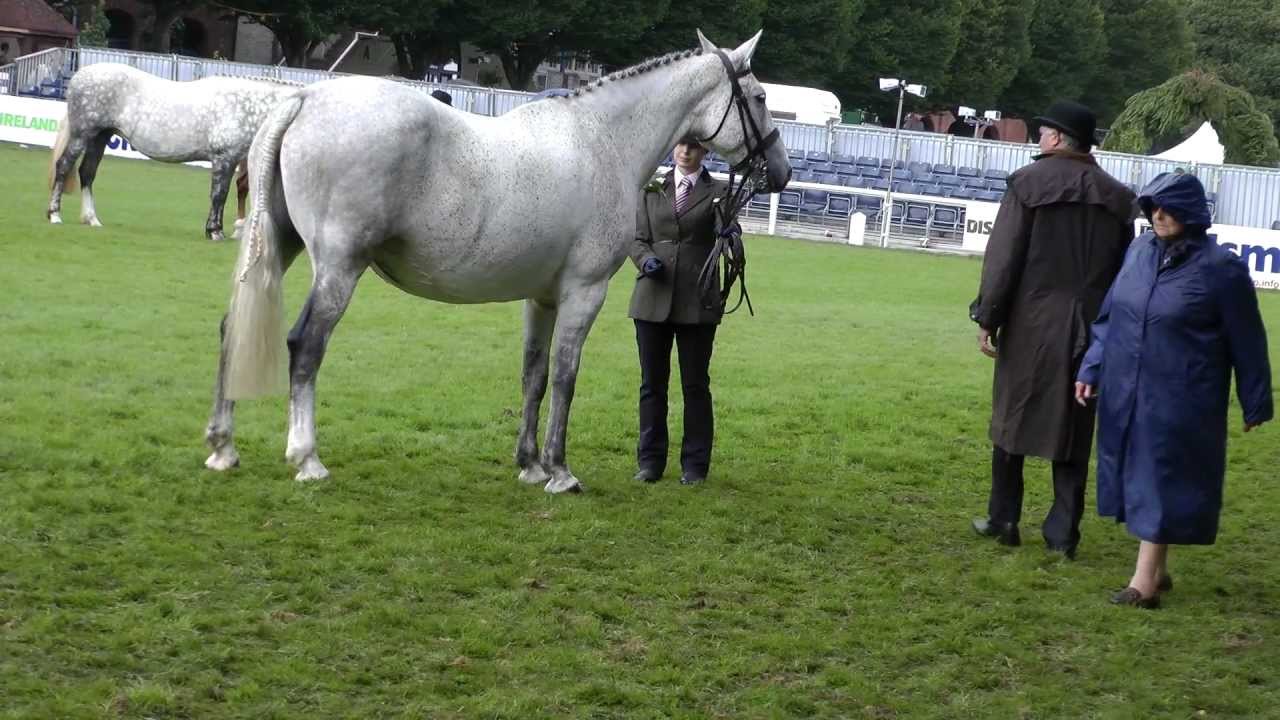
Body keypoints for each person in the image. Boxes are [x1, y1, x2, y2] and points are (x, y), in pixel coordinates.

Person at [1075, 172, 1272, 608]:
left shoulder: (1221, 269)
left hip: (1184, 394)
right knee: (1135, 473)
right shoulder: (1139, 251)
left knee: (1159, 478)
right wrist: (1092, 368)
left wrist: (1255, 400)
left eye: (1168, 207)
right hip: (1127, 386)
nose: (1159, 215)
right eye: (1152, 208)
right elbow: (1111, 317)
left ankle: (1143, 583)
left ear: (1192, 211)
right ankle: (1159, 571)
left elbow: (1248, 339)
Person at [968, 100, 1136, 558]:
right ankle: (1063, 535)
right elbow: (1127, 272)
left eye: (1043, 132)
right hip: (1093, 327)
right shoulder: (1119, 198)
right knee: (1075, 430)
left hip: (1031, 321)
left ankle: (1004, 518)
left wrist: (988, 316)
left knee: (1011, 417)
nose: (1039, 138)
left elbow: (1004, 258)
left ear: (1058, 139)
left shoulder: (1027, 183)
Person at [629, 137, 740, 486]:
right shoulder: (651, 189)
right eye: (681, 145)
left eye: (693, 147)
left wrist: (730, 232)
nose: (685, 152)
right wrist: (646, 260)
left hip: (697, 300)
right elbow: (636, 237)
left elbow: (732, 236)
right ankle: (650, 461)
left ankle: (694, 465)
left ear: (704, 152)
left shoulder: (720, 192)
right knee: (652, 386)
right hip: (652, 298)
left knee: (695, 386)